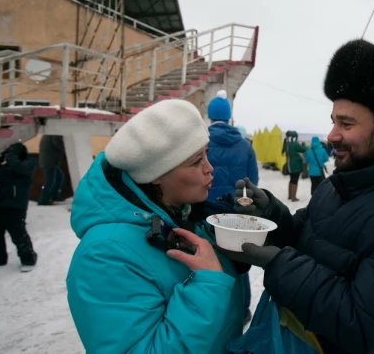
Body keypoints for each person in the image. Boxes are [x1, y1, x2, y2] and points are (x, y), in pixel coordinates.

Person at [225, 39, 374, 353]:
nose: (333, 135)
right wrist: (272, 215)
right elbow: (308, 239)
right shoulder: (338, 183)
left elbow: (363, 327)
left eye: (346, 123)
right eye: (334, 121)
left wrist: (281, 265)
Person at [66, 100, 246, 353]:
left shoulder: (185, 217)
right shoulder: (105, 255)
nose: (210, 168)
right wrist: (208, 284)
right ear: (156, 174)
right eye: (196, 161)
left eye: (206, 153)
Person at [206, 90, 258, 324]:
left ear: (209, 117)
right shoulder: (245, 146)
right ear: (228, 118)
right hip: (235, 212)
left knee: (207, 260)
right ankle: (243, 308)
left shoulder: (200, 142)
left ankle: (214, 311)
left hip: (204, 211)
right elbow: (253, 182)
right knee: (238, 261)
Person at [0, 143, 38, 272]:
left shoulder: (29, 163)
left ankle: (29, 258)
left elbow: (19, 168)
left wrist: (12, 156)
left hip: (16, 206)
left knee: (18, 234)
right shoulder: (7, 166)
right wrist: (0, 156)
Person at [38, 134, 65, 205]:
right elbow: (57, 143)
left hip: (49, 160)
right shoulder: (54, 133)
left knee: (59, 177)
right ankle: (43, 200)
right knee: (50, 181)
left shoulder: (48, 134)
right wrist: (66, 149)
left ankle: (55, 196)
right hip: (50, 161)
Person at [282, 130, 306, 201]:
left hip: (289, 165)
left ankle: (290, 195)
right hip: (295, 165)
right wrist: (303, 144)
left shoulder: (286, 143)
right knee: (295, 180)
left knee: (291, 180)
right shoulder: (295, 144)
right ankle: (293, 197)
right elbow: (302, 149)